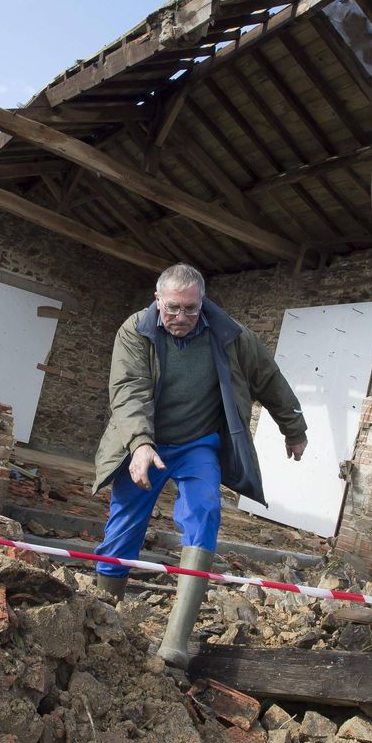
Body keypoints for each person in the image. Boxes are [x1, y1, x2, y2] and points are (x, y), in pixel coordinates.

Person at [91, 263, 308, 667]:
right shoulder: (135, 331)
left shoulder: (230, 335)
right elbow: (128, 390)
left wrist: (293, 428)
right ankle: (102, 616)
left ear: (202, 303)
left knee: (206, 512)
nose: (181, 318)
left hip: (197, 445)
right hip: (147, 443)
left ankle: (175, 642)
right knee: (123, 528)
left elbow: (268, 378)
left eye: (191, 309)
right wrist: (139, 443)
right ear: (157, 300)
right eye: (173, 308)